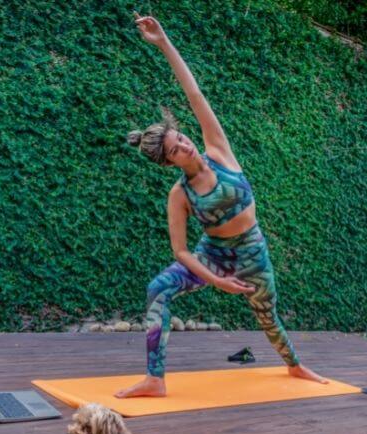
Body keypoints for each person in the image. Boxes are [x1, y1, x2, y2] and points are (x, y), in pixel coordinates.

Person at [114, 13, 328, 398]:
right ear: (170, 163)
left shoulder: (218, 150)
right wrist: (215, 281)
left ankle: (295, 365)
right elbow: (180, 251)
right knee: (158, 289)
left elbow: (194, 93)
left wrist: (163, 43)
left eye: (180, 138)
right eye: (174, 151)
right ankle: (154, 379)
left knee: (268, 317)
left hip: (251, 251)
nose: (183, 146)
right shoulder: (179, 195)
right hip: (212, 256)